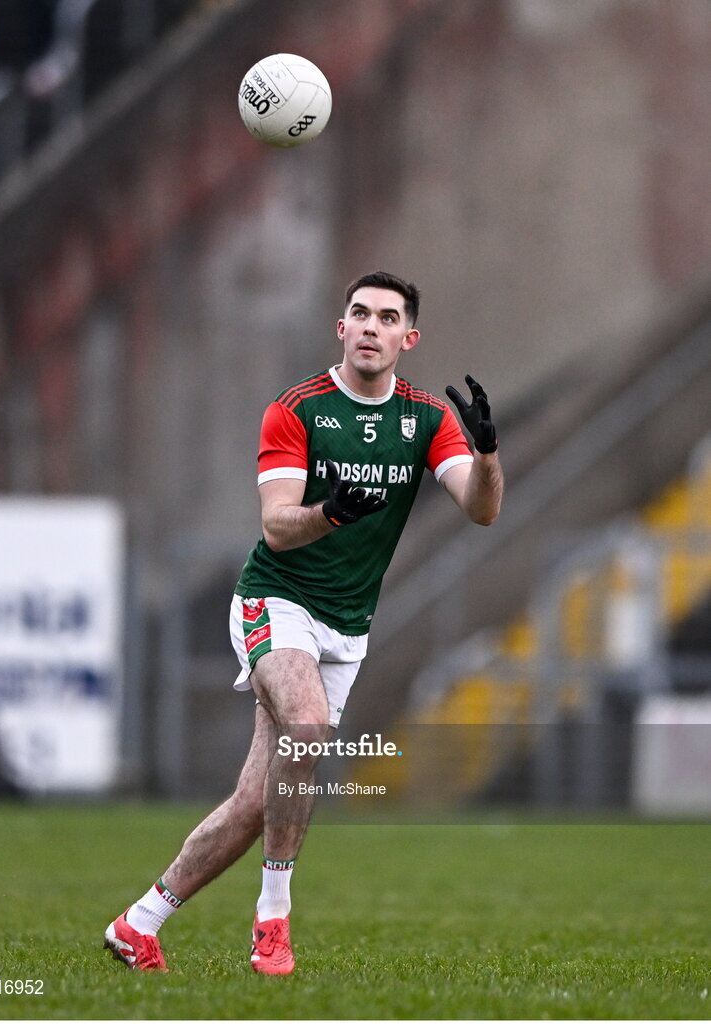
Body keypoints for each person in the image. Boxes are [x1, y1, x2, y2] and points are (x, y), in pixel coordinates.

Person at [104, 270, 504, 974]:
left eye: (387, 317)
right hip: (273, 600)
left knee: (259, 802)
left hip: (346, 628)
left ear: (408, 338)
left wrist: (487, 454)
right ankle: (273, 919)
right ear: (340, 328)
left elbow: (481, 509)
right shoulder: (298, 410)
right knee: (309, 727)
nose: (371, 327)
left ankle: (140, 923)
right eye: (359, 314)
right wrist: (333, 513)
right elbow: (278, 526)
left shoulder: (426, 421)